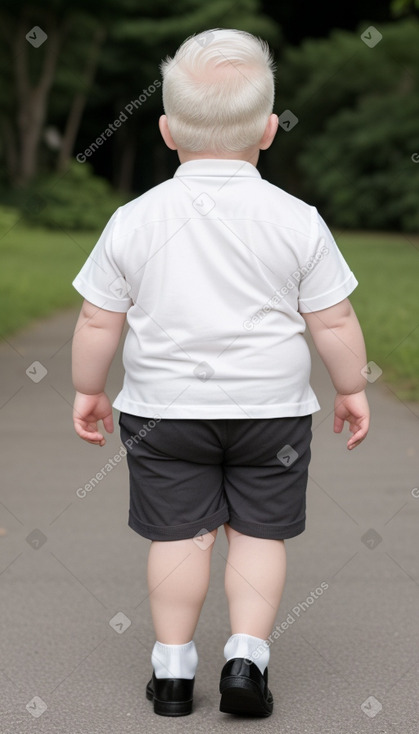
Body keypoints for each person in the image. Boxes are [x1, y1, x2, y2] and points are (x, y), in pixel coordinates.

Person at [71, 28, 370, 718]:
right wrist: (350, 387)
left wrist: (89, 389)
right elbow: (332, 321)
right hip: (272, 413)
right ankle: (245, 660)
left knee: (178, 538)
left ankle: (173, 673)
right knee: (257, 536)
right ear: (267, 130)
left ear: (168, 130)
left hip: (163, 413)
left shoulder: (134, 219)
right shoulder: (296, 220)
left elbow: (96, 321)